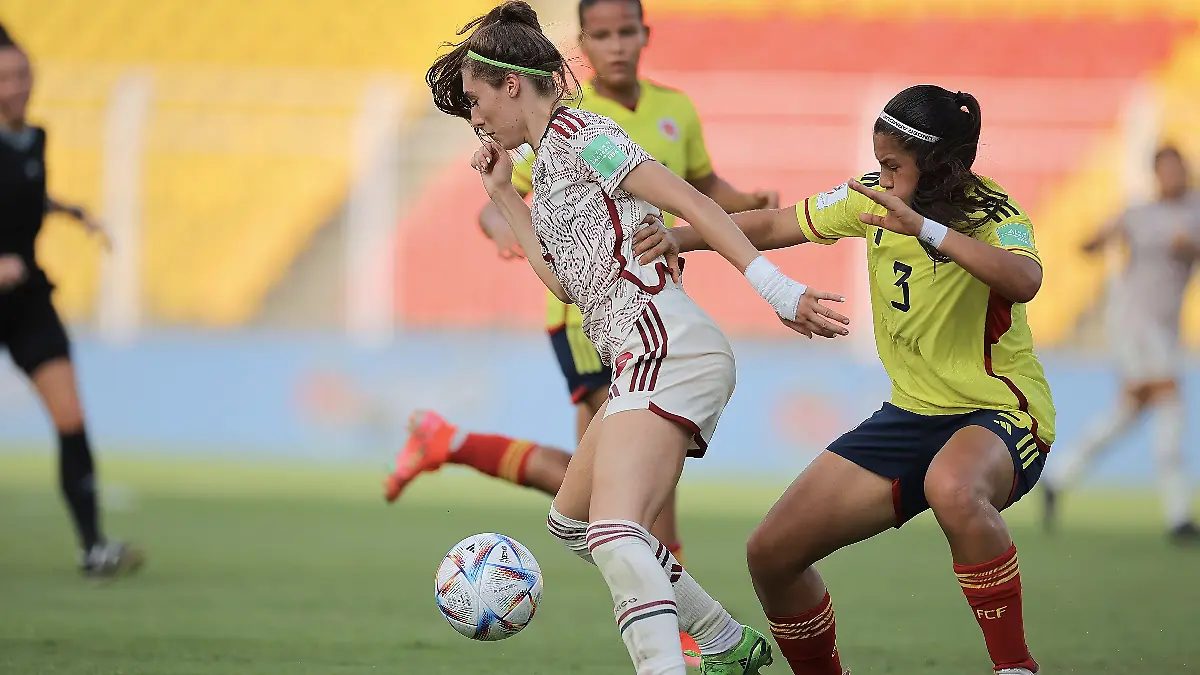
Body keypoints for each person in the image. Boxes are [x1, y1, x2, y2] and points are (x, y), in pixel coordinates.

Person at [424, 3, 849, 673]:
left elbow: (696, 204)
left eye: (475, 100)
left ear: (511, 85)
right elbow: (564, 286)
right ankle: (725, 642)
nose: (474, 118)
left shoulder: (589, 135)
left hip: (667, 346)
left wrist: (779, 290)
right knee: (572, 522)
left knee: (616, 531)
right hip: (640, 358)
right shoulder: (549, 164)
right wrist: (504, 195)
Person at [636, 84, 1053, 674]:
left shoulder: (995, 214)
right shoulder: (871, 201)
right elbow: (780, 223)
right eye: (878, 163)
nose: (880, 178)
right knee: (772, 553)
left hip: (1001, 413)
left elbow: (1025, 280)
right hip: (912, 416)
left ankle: (1015, 668)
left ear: (937, 167)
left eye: (892, 166)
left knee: (953, 488)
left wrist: (927, 230)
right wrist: (682, 237)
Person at [385, 0, 777, 575]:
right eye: (601, 35)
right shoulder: (555, 121)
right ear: (582, 46)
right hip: (585, 321)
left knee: (604, 488)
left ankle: (452, 443)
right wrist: (501, 215)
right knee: (628, 490)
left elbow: (697, 186)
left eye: (626, 32)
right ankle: (690, 631)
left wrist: (743, 207)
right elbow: (525, 201)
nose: (616, 45)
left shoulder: (668, 111)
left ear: (646, 35)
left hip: (642, 317)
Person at [0, 25, 143, 578]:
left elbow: (23, 191)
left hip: (27, 299)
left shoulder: (34, 137)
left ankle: (93, 547)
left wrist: (70, 212)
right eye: (5, 77)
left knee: (71, 417)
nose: (17, 85)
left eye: (22, 73)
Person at [1041, 146, 1199, 542]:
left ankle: (1059, 477)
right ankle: (1178, 516)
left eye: (1177, 170)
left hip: (1163, 327)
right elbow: (1089, 244)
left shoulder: (1194, 211)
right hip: (1133, 323)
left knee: (1130, 412)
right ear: (1155, 174)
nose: (1172, 177)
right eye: (1164, 171)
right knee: (1170, 402)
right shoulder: (1139, 213)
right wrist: (1100, 239)